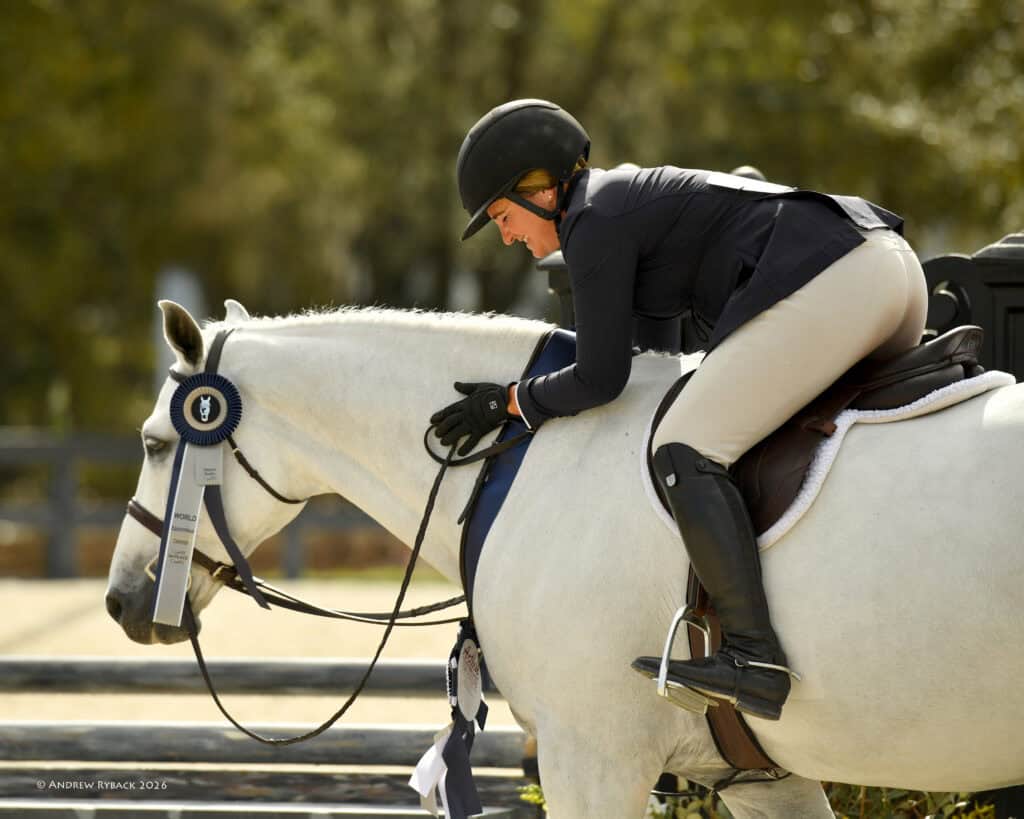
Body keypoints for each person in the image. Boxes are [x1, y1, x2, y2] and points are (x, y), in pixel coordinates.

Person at [430, 99, 928, 721]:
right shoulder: (617, 205)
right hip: (890, 272)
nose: (505, 235)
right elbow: (650, 367)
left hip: (839, 278)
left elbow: (601, 377)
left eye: (502, 215)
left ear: (542, 188)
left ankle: (752, 655)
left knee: (683, 448)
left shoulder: (592, 221)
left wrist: (510, 400)